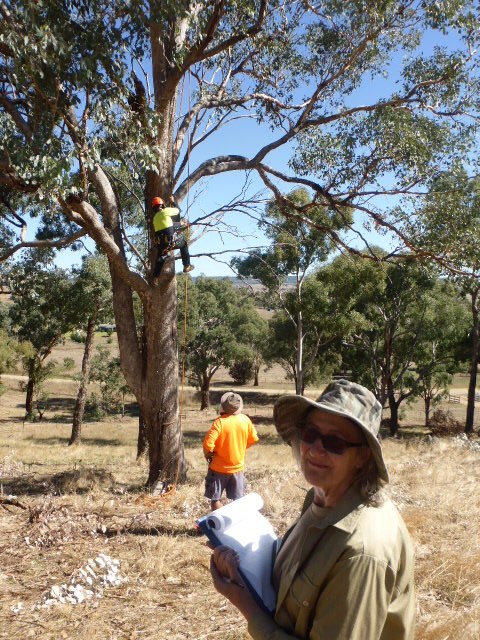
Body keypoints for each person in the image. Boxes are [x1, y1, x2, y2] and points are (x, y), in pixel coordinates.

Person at [209, 379, 416, 640]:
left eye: (335, 441)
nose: (316, 449)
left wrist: (246, 606)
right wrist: (243, 568)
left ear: (362, 457)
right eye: (310, 434)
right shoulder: (319, 498)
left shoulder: (362, 552)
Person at [203, 391, 259, 511]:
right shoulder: (245, 420)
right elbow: (254, 438)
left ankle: (221, 522)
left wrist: (208, 454)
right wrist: (241, 447)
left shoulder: (219, 422)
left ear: (223, 406)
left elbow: (208, 444)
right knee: (238, 501)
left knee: (215, 500)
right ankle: (234, 524)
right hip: (238, 468)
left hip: (218, 469)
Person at [152, 195, 194, 277]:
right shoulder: (165, 211)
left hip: (161, 244)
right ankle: (187, 266)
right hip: (170, 242)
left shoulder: (155, 218)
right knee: (184, 243)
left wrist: (180, 224)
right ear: (161, 205)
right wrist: (173, 202)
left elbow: (168, 225)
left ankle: (155, 276)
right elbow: (178, 211)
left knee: (160, 257)